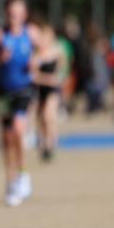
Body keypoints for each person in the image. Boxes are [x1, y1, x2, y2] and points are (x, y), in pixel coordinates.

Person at [0, 0, 40, 206]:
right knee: (6, 139)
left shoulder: (31, 33)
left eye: (18, 12)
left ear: (24, 14)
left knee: (18, 129)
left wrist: (36, 62)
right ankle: (11, 181)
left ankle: (23, 174)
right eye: (11, 12)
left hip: (24, 88)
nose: (14, 15)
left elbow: (48, 51)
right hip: (3, 90)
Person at [32, 22, 65, 162]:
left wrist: (57, 79)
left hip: (53, 90)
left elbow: (62, 71)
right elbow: (33, 76)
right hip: (40, 90)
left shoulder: (57, 52)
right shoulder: (36, 55)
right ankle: (44, 141)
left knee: (48, 115)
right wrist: (47, 79)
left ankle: (51, 143)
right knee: (41, 119)